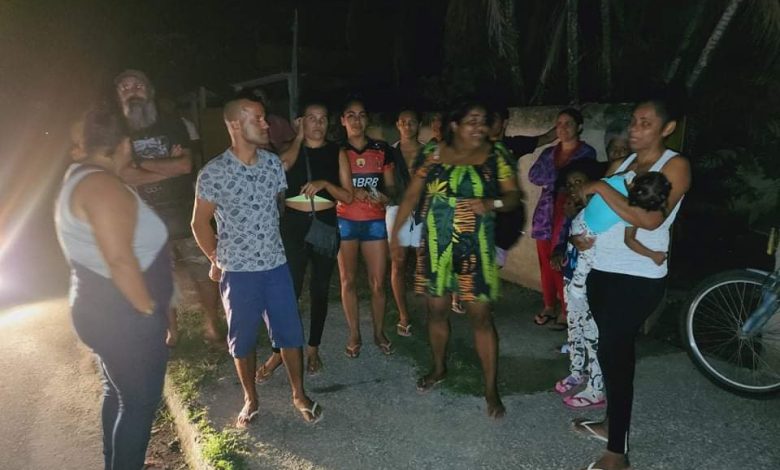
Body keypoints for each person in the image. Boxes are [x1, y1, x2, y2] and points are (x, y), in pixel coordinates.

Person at [572, 95, 691, 470]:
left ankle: (617, 454)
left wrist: (600, 187)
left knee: (615, 353)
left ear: (667, 128)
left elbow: (650, 219)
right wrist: (581, 235)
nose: (635, 129)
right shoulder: (622, 163)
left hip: (638, 278)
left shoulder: (675, 166)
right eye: (634, 121)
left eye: (646, 123)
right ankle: (612, 424)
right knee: (610, 352)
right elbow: (598, 210)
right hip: (602, 269)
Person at [191, 98, 322, 426]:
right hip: (238, 273)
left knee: (290, 333)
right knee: (243, 339)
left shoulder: (272, 164)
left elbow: (279, 191)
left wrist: (300, 138)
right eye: (259, 119)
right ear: (235, 124)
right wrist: (215, 258)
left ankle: (298, 394)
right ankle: (251, 398)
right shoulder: (214, 173)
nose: (266, 125)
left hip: (276, 265)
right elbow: (199, 223)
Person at [55, 106, 172, 469]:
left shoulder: (83, 177)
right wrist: (148, 311)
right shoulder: (101, 187)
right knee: (139, 404)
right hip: (123, 316)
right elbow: (120, 261)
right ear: (124, 145)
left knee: (118, 393)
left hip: (104, 310)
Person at [391, 101, 521, 418]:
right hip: (436, 249)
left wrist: (491, 202)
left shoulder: (496, 154)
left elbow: (513, 196)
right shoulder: (432, 153)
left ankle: (490, 389)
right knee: (436, 312)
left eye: (483, 120)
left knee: (481, 318)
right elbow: (412, 193)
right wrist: (396, 234)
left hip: (476, 249)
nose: (479, 126)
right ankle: (439, 368)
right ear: (454, 125)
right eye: (472, 120)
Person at [115, 69, 221, 346]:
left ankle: (212, 324)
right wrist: (166, 167)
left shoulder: (174, 124)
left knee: (204, 272)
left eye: (137, 85)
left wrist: (139, 164)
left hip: (183, 211)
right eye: (125, 87)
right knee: (156, 278)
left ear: (150, 91)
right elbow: (122, 175)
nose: (131, 90)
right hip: (142, 218)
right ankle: (171, 331)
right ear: (118, 96)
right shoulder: (117, 132)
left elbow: (185, 166)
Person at [556, 164, 672, 411]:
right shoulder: (615, 188)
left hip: (594, 280)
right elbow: (578, 224)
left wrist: (653, 255)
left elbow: (627, 239)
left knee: (594, 335)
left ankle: (595, 388)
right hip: (573, 270)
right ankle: (577, 372)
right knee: (575, 327)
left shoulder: (630, 208)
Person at [255, 101, 354, 379]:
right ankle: (278, 351)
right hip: (293, 227)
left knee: (320, 289)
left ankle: (313, 348)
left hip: (325, 225)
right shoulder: (290, 149)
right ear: (301, 121)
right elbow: (282, 167)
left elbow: (348, 196)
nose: (318, 123)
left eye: (322, 118)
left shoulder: (337, 152)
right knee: (289, 291)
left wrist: (325, 184)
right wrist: (298, 138)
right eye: (311, 118)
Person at [337, 98, 397, 357]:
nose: (356, 120)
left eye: (361, 115)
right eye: (350, 115)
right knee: (347, 281)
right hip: (345, 221)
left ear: (367, 119)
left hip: (374, 222)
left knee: (378, 283)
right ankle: (354, 333)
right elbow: (329, 186)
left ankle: (378, 331)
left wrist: (385, 196)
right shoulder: (335, 150)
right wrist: (350, 192)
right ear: (342, 120)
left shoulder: (382, 149)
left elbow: (391, 187)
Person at [529, 108, 596, 329]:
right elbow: (533, 176)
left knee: (562, 259)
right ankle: (549, 304)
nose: (563, 128)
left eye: (568, 123)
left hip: (569, 210)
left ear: (579, 127)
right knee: (545, 260)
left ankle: (567, 310)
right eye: (559, 124)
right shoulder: (549, 153)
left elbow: (583, 179)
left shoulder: (586, 152)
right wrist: (560, 176)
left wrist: (556, 178)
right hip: (546, 210)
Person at [489, 107, 557, 267]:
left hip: (504, 220)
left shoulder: (513, 145)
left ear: (504, 122)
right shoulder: (476, 147)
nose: (489, 123)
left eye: (494, 118)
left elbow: (547, 137)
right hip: (481, 217)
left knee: (490, 267)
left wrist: (569, 121)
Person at [385, 108, 424, 337]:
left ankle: (429, 309)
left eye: (412, 122)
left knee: (424, 259)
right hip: (397, 209)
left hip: (423, 210)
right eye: (403, 122)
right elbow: (386, 184)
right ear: (397, 125)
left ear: (419, 125)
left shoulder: (429, 152)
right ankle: (403, 315)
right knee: (398, 262)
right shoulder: (389, 153)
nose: (407, 126)